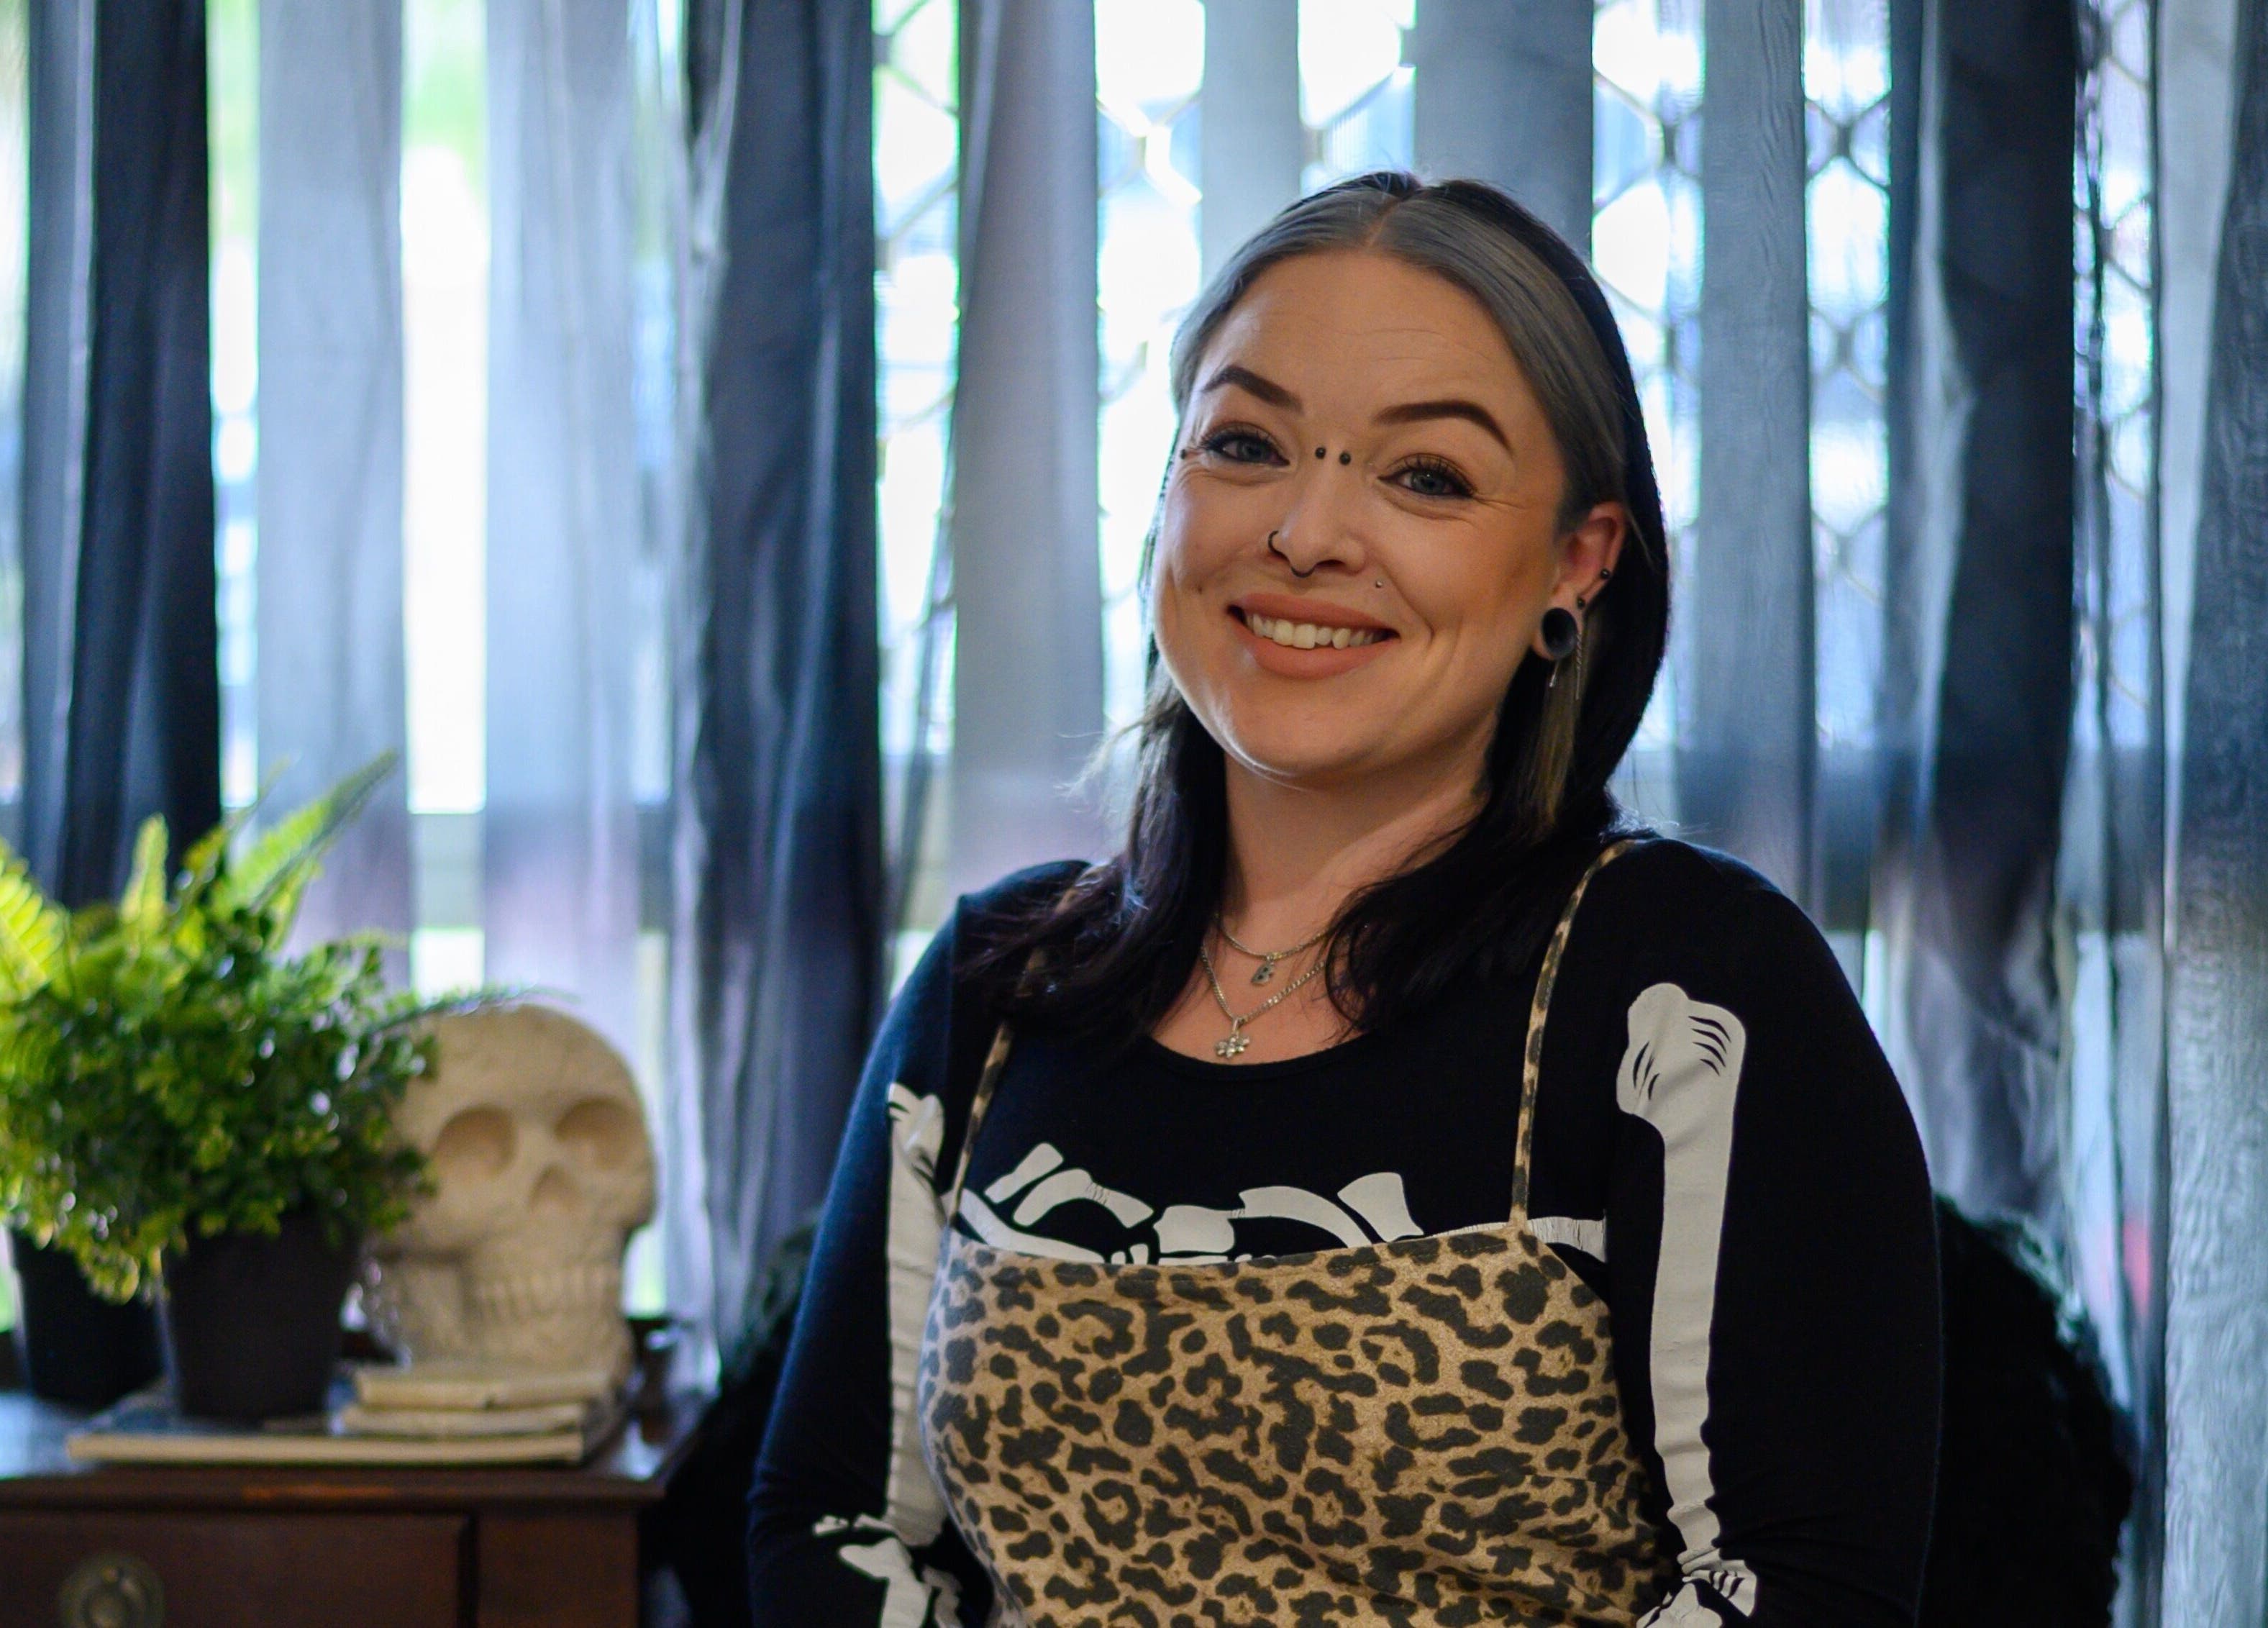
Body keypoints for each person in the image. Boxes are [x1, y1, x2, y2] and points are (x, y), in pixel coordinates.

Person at [748, 173, 1940, 1627]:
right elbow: (826, 1526)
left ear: (1578, 560)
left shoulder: (1683, 986)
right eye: (1244, 444)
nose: (1305, 532)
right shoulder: (995, 986)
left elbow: (1801, 1582)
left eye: (1422, 474)